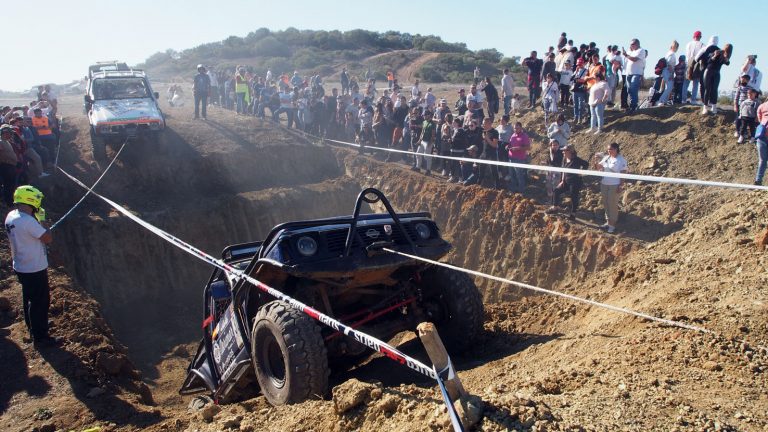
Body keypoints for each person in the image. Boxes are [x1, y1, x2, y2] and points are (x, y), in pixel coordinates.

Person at [5, 185, 56, 346]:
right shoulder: (28, 221)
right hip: (34, 267)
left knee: (29, 299)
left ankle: (34, 326)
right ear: (31, 200)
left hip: (21, 265)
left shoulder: (11, 215)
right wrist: (42, 221)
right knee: (40, 301)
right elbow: (47, 238)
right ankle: (41, 337)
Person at [548, 144, 589, 219]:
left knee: (574, 196)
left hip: (575, 182)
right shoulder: (564, 159)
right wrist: (562, 180)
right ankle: (555, 207)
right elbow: (563, 170)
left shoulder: (576, 160)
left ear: (570, 151)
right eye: (563, 150)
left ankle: (573, 213)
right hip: (566, 181)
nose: (563, 152)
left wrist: (581, 172)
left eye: (564, 150)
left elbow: (586, 164)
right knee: (556, 191)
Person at [595, 142, 628, 233]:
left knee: (612, 203)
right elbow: (599, 168)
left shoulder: (621, 160)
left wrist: (621, 185)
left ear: (616, 149)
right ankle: (608, 222)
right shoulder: (606, 158)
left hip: (614, 184)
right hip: (604, 183)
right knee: (606, 203)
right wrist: (597, 161)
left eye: (611, 149)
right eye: (608, 149)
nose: (609, 151)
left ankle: (612, 225)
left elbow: (623, 173)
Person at [701, 44, 732, 115]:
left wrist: (726, 58)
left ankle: (714, 106)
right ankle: (705, 107)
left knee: (714, 89)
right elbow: (708, 61)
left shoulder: (725, 56)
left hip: (717, 73)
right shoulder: (717, 52)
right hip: (708, 71)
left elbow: (727, 63)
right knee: (707, 89)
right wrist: (715, 55)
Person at [622, 39, 646, 113]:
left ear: (637, 44)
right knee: (629, 90)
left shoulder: (641, 50)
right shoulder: (631, 52)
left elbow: (635, 59)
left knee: (633, 89)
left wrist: (626, 55)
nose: (631, 46)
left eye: (632, 44)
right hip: (628, 73)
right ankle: (632, 105)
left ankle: (633, 106)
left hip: (637, 73)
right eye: (630, 44)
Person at [506, 122, 530, 194]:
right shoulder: (513, 135)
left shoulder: (524, 136)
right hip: (511, 157)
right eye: (514, 128)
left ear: (521, 128)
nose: (515, 129)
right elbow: (510, 144)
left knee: (519, 175)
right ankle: (513, 190)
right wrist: (508, 146)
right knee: (512, 175)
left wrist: (518, 148)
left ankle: (521, 191)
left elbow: (528, 147)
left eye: (517, 128)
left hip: (519, 158)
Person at [0, 125, 18, 205]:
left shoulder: (8, 142)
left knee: (10, 185)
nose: (11, 135)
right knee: (7, 185)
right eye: (9, 133)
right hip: (5, 166)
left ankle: (9, 202)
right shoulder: (1, 142)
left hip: (11, 166)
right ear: (4, 133)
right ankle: (8, 202)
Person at [685, 31, 705, 104]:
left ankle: (683, 99)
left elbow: (687, 55)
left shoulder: (688, 44)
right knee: (695, 82)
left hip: (688, 62)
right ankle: (693, 100)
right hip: (697, 63)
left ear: (693, 36)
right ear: (700, 37)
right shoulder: (702, 45)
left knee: (686, 82)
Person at [657, 41, 679, 105]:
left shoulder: (668, 53)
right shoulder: (672, 54)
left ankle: (664, 101)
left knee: (668, 87)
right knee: (670, 87)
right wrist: (671, 74)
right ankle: (661, 100)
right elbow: (669, 64)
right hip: (668, 71)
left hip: (665, 71)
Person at [571, 58, 588, 124]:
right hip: (575, 89)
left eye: (580, 64)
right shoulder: (576, 70)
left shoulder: (586, 71)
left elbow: (585, 80)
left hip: (581, 89)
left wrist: (579, 80)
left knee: (581, 105)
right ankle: (576, 117)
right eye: (578, 64)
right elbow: (572, 78)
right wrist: (576, 71)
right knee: (575, 104)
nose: (579, 65)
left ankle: (580, 118)